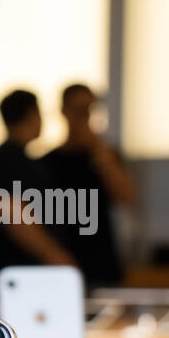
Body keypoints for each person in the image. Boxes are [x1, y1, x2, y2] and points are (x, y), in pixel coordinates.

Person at [0, 90, 75, 295]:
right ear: (33, 114)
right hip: (9, 281)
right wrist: (54, 256)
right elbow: (11, 213)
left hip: (12, 278)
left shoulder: (12, 157)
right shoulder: (9, 157)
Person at [41, 83, 135, 286]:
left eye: (89, 110)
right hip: (62, 264)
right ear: (64, 111)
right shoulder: (47, 162)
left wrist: (100, 152)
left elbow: (126, 196)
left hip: (102, 263)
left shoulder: (104, 155)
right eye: (78, 110)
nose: (83, 117)